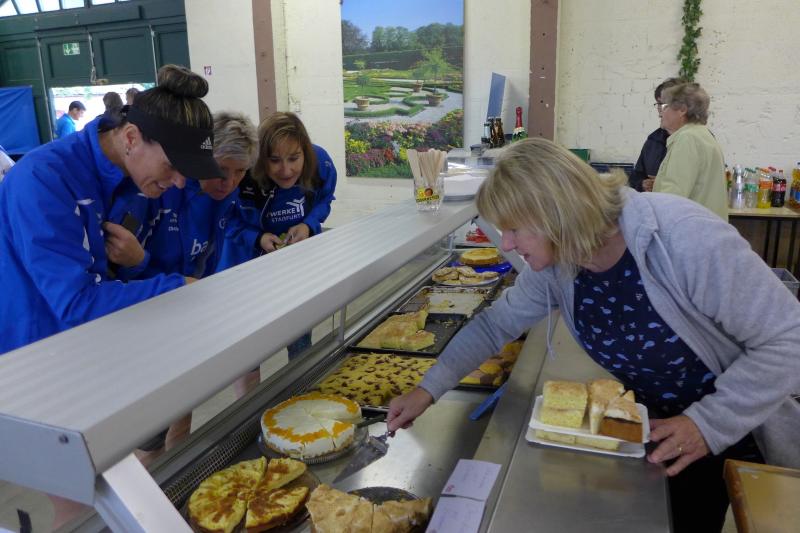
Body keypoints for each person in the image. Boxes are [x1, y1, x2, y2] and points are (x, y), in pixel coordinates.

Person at [387, 138, 800, 533]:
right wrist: (428, 389)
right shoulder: (560, 260)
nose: (507, 243)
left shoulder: (683, 237)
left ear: (556, 214)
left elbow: (788, 338)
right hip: (660, 427)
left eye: (513, 229)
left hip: (740, 425)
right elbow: (495, 325)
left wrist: (706, 424)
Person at [0, 63, 222, 356]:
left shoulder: (140, 178)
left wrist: (139, 264)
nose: (180, 182)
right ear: (131, 138)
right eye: (172, 166)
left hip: (101, 342)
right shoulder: (43, 179)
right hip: (33, 351)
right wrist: (179, 288)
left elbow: (118, 274)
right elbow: (76, 302)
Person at [219, 111, 337, 360]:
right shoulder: (244, 174)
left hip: (295, 268)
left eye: (294, 158)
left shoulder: (321, 164)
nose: (286, 170)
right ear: (261, 158)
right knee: (246, 348)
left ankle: (300, 378)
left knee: (299, 337)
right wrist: (257, 238)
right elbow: (225, 218)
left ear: (305, 152)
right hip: (245, 269)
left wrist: (308, 225)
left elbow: (325, 199)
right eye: (274, 160)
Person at [653, 82, 728, 220]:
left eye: (664, 106)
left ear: (682, 110)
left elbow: (672, 198)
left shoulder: (687, 139)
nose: (660, 112)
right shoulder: (701, 135)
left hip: (692, 228)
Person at [629, 77, 684, 192]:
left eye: (663, 104)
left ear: (681, 107)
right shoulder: (653, 140)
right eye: (658, 104)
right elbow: (635, 176)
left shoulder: (693, 140)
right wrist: (642, 184)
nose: (659, 110)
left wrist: (661, 184)